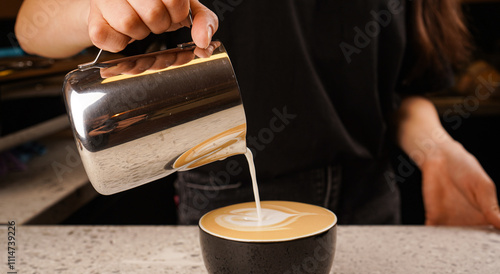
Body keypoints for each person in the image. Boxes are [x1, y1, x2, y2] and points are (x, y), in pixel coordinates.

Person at [15, 0, 500, 228]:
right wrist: (92, 8)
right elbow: (31, 28)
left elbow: (397, 95)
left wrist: (439, 149)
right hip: (228, 202)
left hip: (371, 197)